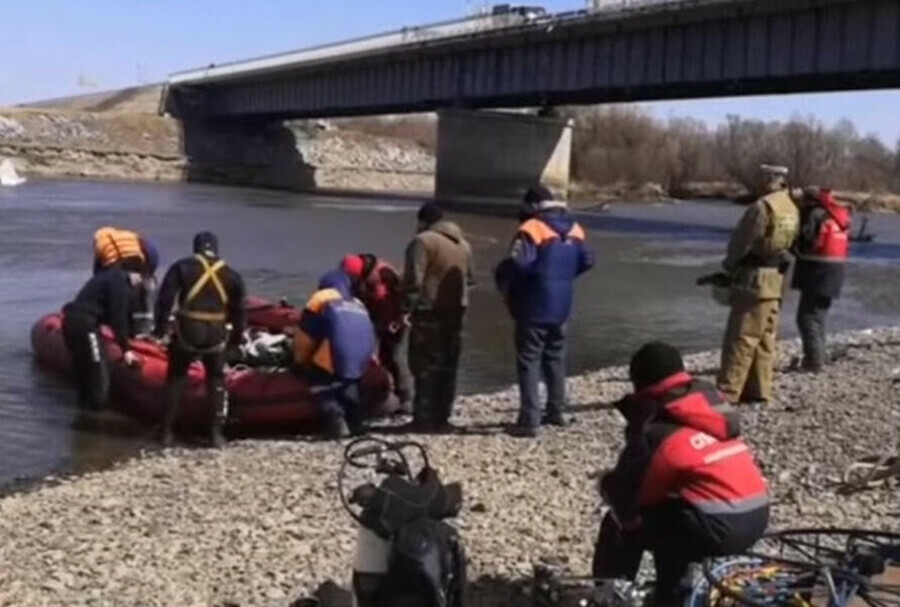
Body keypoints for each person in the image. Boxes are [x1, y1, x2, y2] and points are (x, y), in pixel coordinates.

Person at [593, 343, 769, 607]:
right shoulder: (709, 410)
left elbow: (631, 497)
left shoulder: (656, 431)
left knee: (622, 521)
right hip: (757, 514)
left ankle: (613, 596)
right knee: (674, 519)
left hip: (720, 526)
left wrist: (609, 488)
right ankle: (675, 593)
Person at [495, 185, 594, 437]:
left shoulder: (531, 228)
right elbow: (588, 260)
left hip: (533, 304)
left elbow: (520, 262)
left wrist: (508, 283)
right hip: (563, 304)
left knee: (529, 359)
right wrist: (563, 276)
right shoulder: (575, 228)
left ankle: (529, 420)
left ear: (531, 207)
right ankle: (557, 411)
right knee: (555, 356)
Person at [154, 232, 246, 448]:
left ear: (195, 248)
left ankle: (166, 433)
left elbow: (165, 300)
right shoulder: (232, 275)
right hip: (216, 332)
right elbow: (239, 310)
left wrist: (160, 330)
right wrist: (236, 341)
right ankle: (215, 435)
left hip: (188, 329)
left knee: (176, 378)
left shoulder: (182, 267)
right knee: (215, 380)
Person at [717, 165, 799, 404]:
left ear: (767, 179)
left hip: (754, 280)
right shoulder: (790, 207)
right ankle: (760, 389)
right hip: (777, 280)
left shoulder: (762, 207)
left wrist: (729, 267)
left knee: (741, 338)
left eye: (760, 178)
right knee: (765, 338)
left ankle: (727, 393)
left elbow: (742, 242)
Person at [401, 202, 474, 432]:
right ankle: (442, 417)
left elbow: (414, 280)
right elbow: (470, 279)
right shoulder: (464, 245)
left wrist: (405, 309)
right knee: (448, 365)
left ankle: (423, 418)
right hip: (456, 313)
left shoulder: (423, 242)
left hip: (429, 312)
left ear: (423, 221)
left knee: (423, 365)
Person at [293, 269, 377, 438]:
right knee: (349, 386)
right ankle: (357, 423)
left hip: (336, 355)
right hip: (361, 359)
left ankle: (335, 422)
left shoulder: (321, 298)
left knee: (320, 382)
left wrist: (300, 362)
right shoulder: (357, 303)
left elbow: (305, 337)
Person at [62, 265, 143, 409]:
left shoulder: (108, 277)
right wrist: (126, 350)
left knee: (84, 377)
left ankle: (81, 419)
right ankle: (94, 421)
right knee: (99, 381)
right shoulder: (120, 284)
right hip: (85, 327)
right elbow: (118, 318)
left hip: (71, 322)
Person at [341, 253, 413, 413]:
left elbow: (404, 296)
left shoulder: (386, 273)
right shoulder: (357, 281)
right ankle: (382, 391)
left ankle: (405, 396)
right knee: (373, 356)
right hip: (372, 319)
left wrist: (401, 316)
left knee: (394, 356)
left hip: (394, 319)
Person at [791, 187, 851, 373]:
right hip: (836, 269)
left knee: (806, 318)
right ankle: (819, 356)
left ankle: (814, 362)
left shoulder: (814, 214)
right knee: (819, 316)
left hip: (817, 270)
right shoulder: (837, 215)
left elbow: (805, 240)